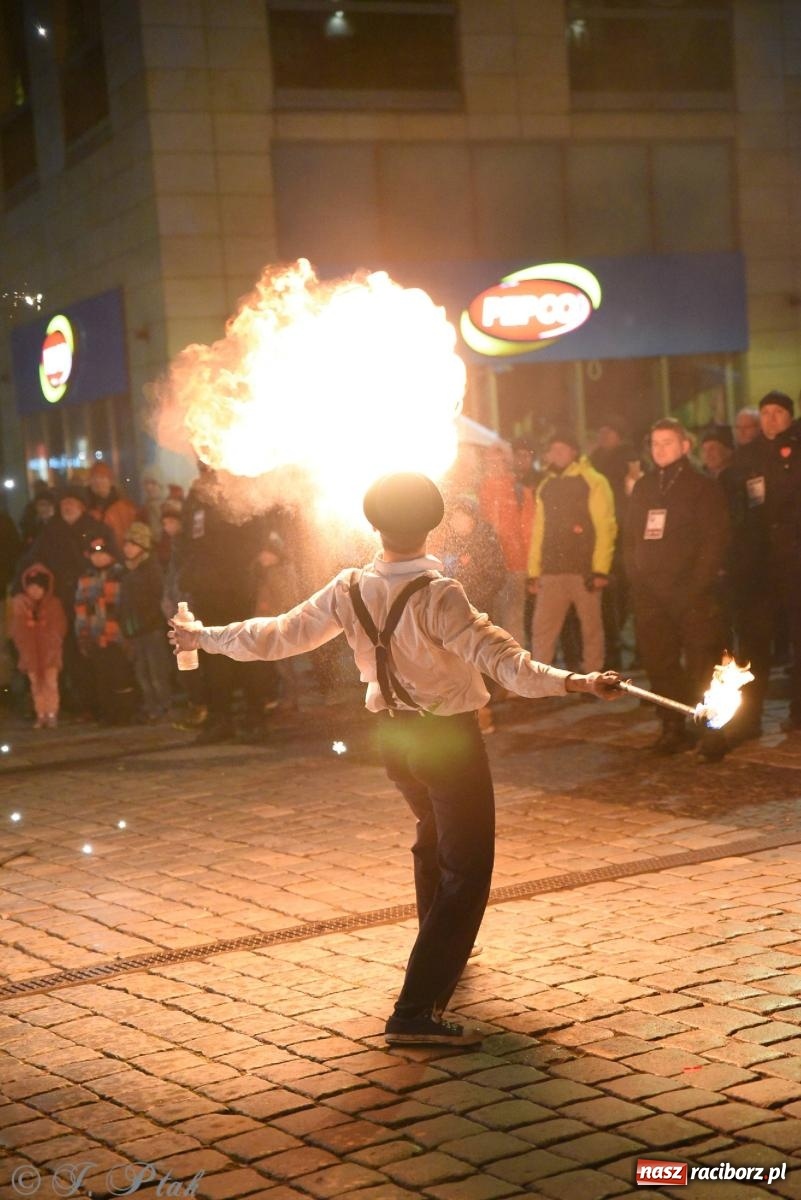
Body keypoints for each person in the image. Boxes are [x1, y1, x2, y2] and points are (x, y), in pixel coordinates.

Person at [169, 472, 621, 1047]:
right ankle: (414, 1011)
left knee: (433, 839)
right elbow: (510, 666)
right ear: (432, 524)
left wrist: (201, 637)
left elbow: (277, 635)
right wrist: (580, 683)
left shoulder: (350, 586)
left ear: (374, 525)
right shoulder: (439, 594)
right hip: (447, 742)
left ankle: (441, 945)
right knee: (468, 871)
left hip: (393, 742)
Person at [624, 419, 730, 760]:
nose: (660, 449)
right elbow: (630, 536)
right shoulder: (644, 486)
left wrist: (699, 583)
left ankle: (712, 730)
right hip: (651, 594)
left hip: (691, 591)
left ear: (685, 446)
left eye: (668, 442)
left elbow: (714, 540)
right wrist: (636, 576)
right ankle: (672, 726)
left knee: (702, 661)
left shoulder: (702, 487)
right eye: (655, 443)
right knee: (661, 662)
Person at [730, 391, 801, 737]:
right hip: (758, 563)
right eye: (766, 412)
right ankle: (749, 715)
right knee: (756, 641)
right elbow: (735, 505)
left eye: (778, 412)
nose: (771, 418)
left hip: (794, 557)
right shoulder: (747, 456)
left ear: (790, 416)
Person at [528, 430, 617, 675]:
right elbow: (539, 530)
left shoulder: (593, 480)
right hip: (551, 570)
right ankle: (540, 682)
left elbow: (605, 526)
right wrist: (534, 572)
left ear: (573, 451)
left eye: (561, 449)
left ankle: (593, 676)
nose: (556, 454)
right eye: (552, 450)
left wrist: (600, 569)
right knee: (543, 628)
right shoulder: (546, 485)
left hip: (584, 570)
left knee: (591, 629)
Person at [437, 495, 508, 733]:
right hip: (453, 613)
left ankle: (483, 714)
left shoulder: (485, 541)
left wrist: (473, 599)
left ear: (472, 518)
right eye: (454, 517)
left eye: (461, 517)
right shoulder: (451, 542)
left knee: (478, 660)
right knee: (457, 662)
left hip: (479, 610)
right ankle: (462, 713)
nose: (457, 522)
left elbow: (496, 575)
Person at [590, 416, 640, 671]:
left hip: (625, 531)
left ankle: (629, 647)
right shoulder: (594, 458)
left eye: (607, 431)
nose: (602, 436)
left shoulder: (628, 457)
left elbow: (635, 487)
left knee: (626, 594)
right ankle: (615, 649)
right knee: (610, 597)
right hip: (603, 532)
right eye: (600, 431)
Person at [74, 533, 137, 724]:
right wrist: (82, 635)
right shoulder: (85, 578)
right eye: (94, 554)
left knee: (121, 676)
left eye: (103, 554)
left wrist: (129, 633)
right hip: (96, 636)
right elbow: (80, 609)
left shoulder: (122, 574)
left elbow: (129, 607)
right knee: (102, 678)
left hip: (118, 636)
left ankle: (125, 713)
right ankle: (108, 714)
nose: (99, 557)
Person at [478, 443, 535, 648]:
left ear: (507, 462)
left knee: (513, 620)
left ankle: (516, 669)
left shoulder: (520, 492)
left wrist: (531, 569)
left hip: (515, 566)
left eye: (499, 460)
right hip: (485, 567)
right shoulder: (478, 491)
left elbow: (529, 532)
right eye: (490, 460)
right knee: (488, 620)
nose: (494, 465)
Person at [120, 522, 173, 722]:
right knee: (142, 673)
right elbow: (125, 604)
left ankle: (164, 707)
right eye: (126, 544)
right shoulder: (129, 572)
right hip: (137, 631)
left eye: (132, 544)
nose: (127, 548)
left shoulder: (152, 570)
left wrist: (148, 622)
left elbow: (157, 600)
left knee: (157, 671)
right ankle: (152, 707)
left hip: (151, 629)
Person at [11, 564, 67, 728]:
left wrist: (52, 641)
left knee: (51, 683)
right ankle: (40, 713)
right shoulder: (19, 605)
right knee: (36, 685)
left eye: (38, 587)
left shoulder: (53, 604)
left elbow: (59, 627)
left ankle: (52, 713)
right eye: (31, 587)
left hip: (50, 653)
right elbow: (16, 629)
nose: (35, 591)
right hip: (30, 654)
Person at [86, 462, 140, 548]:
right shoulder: (85, 508)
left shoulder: (126, 507)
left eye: (102, 477)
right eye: (94, 478)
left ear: (110, 481)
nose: (98, 482)